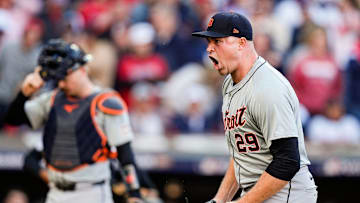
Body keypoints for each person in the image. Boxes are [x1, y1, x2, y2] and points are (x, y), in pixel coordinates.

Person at [192, 12, 317, 203]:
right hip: (260, 194)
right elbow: (243, 154)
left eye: (217, 42)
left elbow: (288, 161)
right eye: (208, 42)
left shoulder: (268, 87)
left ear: (242, 43)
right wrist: (220, 199)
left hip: (288, 196)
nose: (209, 49)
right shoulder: (229, 84)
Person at [3, 39, 143, 203]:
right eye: (57, 79)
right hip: (56, 193)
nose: (61, 83)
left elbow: (125, 154)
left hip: (92, 193)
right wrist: (24, 94)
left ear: (82, 69)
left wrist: (134, 193)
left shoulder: (106, 102)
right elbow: (13, 119)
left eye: (65, 76)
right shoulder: (52, 99)